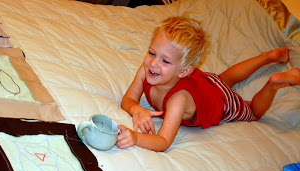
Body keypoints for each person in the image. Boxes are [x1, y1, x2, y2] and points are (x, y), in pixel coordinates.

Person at [116, 16, 300, 152]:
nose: (153, 63)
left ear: (184, 71)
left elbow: (163, 141)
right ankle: (267, 57)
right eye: (152, 53)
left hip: (221, 101)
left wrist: (136, 137)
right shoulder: (146, 69)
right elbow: (128, 99)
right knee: (223, 79)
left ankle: (274, 83)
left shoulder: (177, 100)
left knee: (253, 112)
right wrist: (136, 109)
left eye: (165, 61)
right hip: (207, 81)